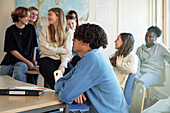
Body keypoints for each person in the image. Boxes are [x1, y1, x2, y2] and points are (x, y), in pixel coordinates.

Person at [54, 23, 129, 113]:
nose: (73, 40)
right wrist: (69, 88)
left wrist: (69, 88)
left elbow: (65, 96)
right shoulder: (91, 57)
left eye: (76, 37)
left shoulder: (92, 60)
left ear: (86, 41)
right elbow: (59, 83)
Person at [39, 8, 73, 89]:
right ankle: (59, 95)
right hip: (46, 59)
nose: (48, 17)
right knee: (56, 84)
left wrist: (63, 66)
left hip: (61, 60)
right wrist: (62, 50)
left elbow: (67, 52)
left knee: (72, 75)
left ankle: (69, 98)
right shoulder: (45, 29)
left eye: (50, 15)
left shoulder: (68, 32)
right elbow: (44, 49)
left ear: (58, 16)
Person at [0, 7, 37, 82]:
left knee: (19, 73)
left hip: (23, 60)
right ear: (19, 17)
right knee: (3, 76)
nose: (29, 19)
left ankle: (19, 92)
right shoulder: (10, 30)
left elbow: (34, 46)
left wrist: (33, 59)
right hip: (10, 59)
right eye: (27, 16)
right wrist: (28, 62)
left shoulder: (31, 28)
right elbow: (12, 51)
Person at [27, 6, 42, 85]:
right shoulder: (23, 26)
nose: (34, 16)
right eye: (32, 14)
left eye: (36, 15)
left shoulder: (39, 27)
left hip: (38, 53)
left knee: (33, 77)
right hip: (27, 52)